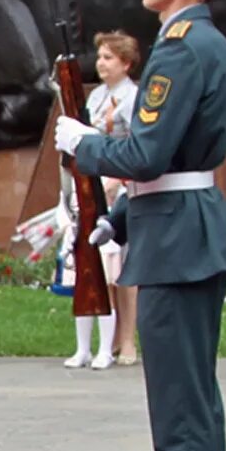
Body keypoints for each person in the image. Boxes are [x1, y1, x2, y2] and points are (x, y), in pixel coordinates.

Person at [58, 0, 226, 451]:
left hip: (177, 243)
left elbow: (147, 154)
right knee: (190, 395)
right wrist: (118, 220)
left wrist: (84, 144)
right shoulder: (199, 43)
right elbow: (178, 161)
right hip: (180, 228)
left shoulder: (181, 50)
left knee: (179, 406)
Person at [84, 31, 142, 367]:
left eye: (109, 58)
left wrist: (117, 179)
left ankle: (128, 339)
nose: (101, 64)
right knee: (104, 268)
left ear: (126, 63)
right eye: (100, 57)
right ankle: (109, 337)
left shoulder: (134, 97)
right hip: (96, 184)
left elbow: (137, 147)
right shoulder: (96, 98)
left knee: (123, 270)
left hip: (122, 187)